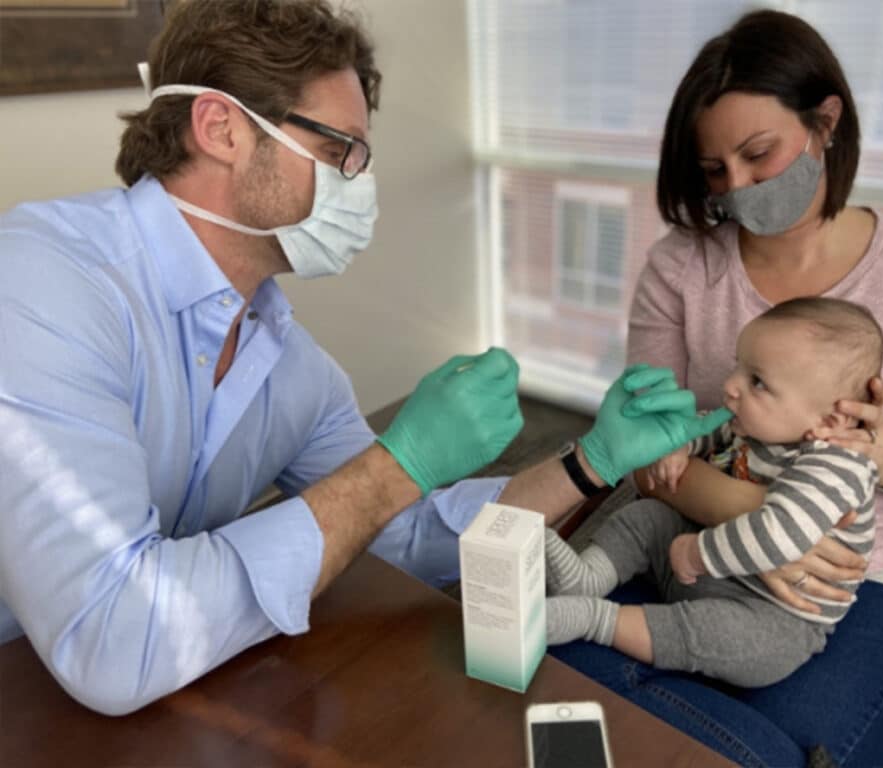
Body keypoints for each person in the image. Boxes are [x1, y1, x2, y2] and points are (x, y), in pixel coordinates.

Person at [0, 0, 728, 716]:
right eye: (336, 151)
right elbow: (112, 637)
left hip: (173, 695)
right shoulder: (45, 283)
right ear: (220, 127)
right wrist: (392, 469)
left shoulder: (288, 362)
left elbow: (398, 532)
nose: (358, 184)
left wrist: (589, 462)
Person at [547, 9, 883, 768]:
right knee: (556, 697)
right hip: (695, 536)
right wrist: (771, 532)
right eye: (714, 170)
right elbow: (648, 453)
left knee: (752, 750)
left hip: (856, 587)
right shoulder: (683, 268)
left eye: (758, 154)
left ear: (826, 122)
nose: (735, 190)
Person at [545, 297, 882, 688]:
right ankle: (587, 577)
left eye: (756, 381)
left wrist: (697, 553)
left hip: (770, 608)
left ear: (828, 421)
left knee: (746, 644)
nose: (730, 385)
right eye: (737, 365)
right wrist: (680, 445)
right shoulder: (754, 426)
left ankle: (595, 620)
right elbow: (702, 427)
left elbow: (775, 537)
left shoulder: (838, 464)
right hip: (694, 567)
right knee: (648, 519)